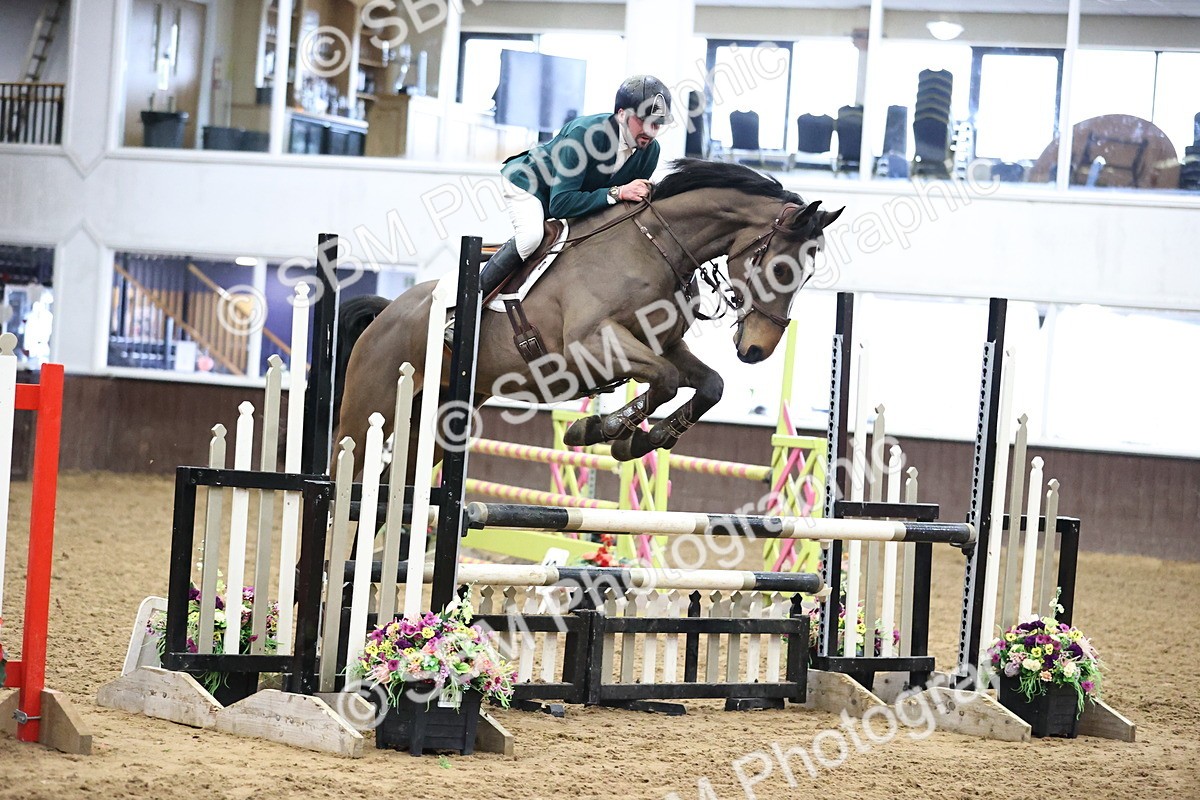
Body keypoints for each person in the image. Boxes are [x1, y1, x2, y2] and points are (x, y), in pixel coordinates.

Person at [446, 75, 673, 344]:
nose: (651, 130)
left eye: (657, 124)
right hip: (530, 185)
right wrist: (618, 192)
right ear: (622, 114)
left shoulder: (651, 151)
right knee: (531, 237)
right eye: (644, 121)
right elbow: (561, 204)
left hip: (575, 195)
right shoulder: (583, 135)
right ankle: (461, 313)